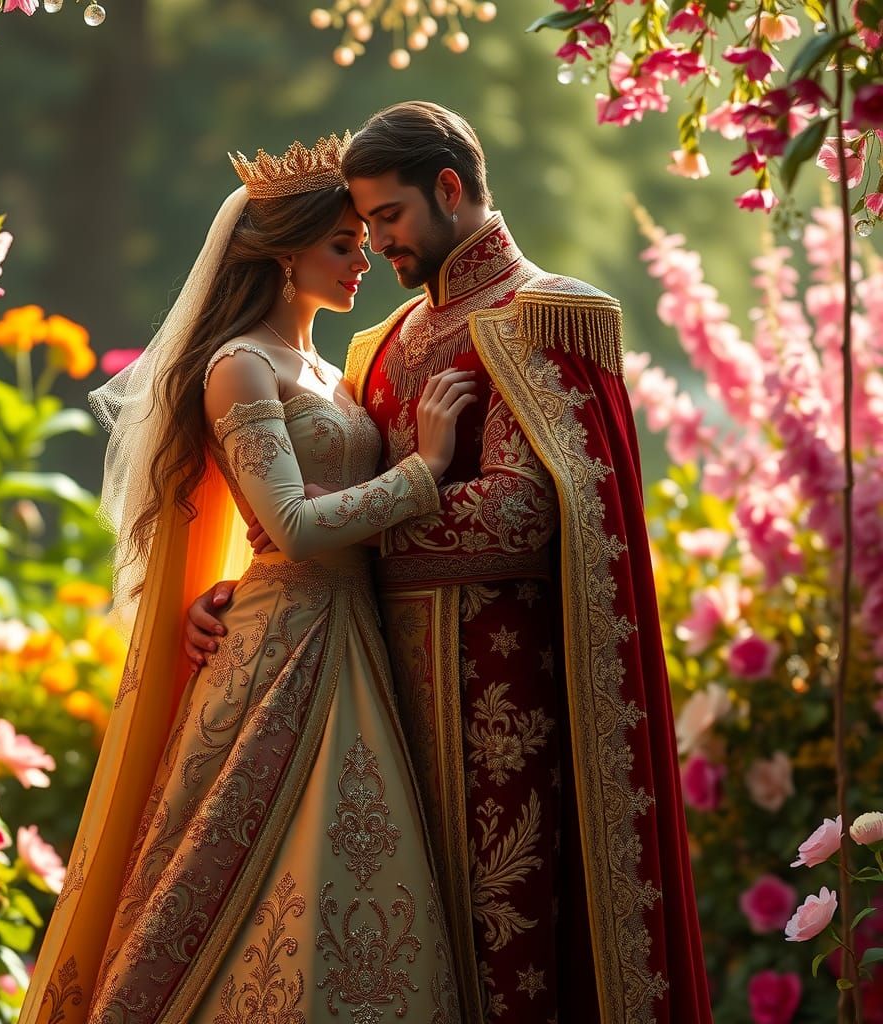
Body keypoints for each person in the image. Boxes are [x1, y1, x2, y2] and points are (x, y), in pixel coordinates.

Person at [186, 102, 714, 1024]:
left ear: (449, 189)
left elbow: (523, 515)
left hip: (504, 705)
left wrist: (325, 538)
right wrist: (272, 574)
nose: (376, 244)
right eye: (360, 228)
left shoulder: (543, 317)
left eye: (386, 219)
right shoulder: (377, 346)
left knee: (507, 954)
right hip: (372, 700)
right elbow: (310, 507)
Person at [17, 134, 469, 1024]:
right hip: (279, 652)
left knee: (353, 879)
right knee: (242, 886)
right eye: (342, 244)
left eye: (364, 242)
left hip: (351, 638)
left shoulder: (334, 374)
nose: (363, 262)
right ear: (281, 251)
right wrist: (426, 471)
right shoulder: (240, 365)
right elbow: (293, 529)